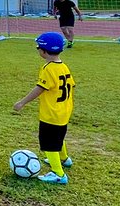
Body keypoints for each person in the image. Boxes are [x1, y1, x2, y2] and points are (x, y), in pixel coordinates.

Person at [13, 31, 75, 184]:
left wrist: (22, 102)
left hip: (51, 113)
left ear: (44, 51)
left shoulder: (48, 68)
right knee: (59, 137)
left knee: (49, 143)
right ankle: (64, 159)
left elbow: (40, 88)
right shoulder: (63, 66)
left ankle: (58, 174)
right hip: (64, 111)